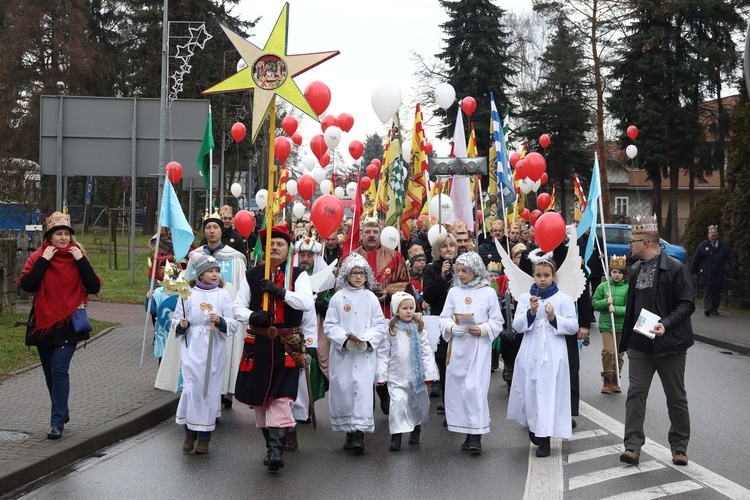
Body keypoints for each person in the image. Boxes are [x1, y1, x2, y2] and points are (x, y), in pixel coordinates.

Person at [232, 222, 314, 472]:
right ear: (265, 250)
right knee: (262, 399)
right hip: (259, 344)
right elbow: (237, 307)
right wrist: (252, 315)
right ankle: (272, 445)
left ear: (288, 249)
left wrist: (280, 292)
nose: (276, 248)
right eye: (271, 245)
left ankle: (276, 450)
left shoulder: (298, 275)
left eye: (281, 244)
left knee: (281, 397)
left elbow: (306, 303)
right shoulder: (253, 274)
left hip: (286, 344)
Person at [18, 212, 102, 440]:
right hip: (43, 323)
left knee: (58, 370)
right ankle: (61, 410)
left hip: (69, 323)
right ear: (50, 237)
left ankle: (56, 423)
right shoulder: (38, 256)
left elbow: (93, 287)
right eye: (59, 234)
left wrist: (81, 260)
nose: (64, 238)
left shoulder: (78, 256)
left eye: (67, 234)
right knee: (49, 374)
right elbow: (28, 285)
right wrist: (44, 260)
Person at [619, 216, 695, 467]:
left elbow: (687, 303)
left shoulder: (675, 267)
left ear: (646, 241)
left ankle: (679, 447)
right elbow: (632, 308)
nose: (630, 245)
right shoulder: (635, 269)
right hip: (640, 345)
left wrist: (667, 323)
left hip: (669, 345)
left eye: (632, 241)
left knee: (675, 397)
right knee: (636, 395)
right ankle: (632, 446)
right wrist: (627, 342)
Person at [507, 258, 579, 457]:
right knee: (531, 390)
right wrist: (531, 312)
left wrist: (553, 318)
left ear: (553, 276)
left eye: (546, 275)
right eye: (538, 275)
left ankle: (545, 438)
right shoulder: (524, 298)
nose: (542, 279)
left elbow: (573, 326)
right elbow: (518, 325)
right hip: (531, 351)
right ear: (533, 276)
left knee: (548, 393)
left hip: (553, 353)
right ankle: (534, 426)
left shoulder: (563, 299)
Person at [173, 255, 238, 454]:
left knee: (208, 392)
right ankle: (189, 432)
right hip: (193, 347)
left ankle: (205, 438)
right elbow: (176, 320)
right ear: (200, 273)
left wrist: (220, 321)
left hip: (214, 348)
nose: (215, 274)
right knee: (192, 389)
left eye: (217, 271)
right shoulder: (187, 295)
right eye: (211, 271)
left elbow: (233, 323)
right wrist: (181, 325)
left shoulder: (223, 295)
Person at [440, 252, 504, 453]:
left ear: (475, 271)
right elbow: (443, 317)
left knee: (474, 389)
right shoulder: (454, 292)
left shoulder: (488, 293)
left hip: (478, 348)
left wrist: (483, 329)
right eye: (458, 270)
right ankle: (465, 431)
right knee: (459, 390)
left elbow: (497, 321)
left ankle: (476, 435)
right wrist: (451, 327)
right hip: (458, 347)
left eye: (465, 271)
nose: (460, 274)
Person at [323, 254, 387, 454]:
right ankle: (348, 431)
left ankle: (359, 433)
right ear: (346, 275)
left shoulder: (371, 298)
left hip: (364, 354)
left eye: (362, 273)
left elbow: (379, 324)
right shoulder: (338, 298)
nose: (358, 277)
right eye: (354, 273)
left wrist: (366, 340)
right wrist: (345, 339)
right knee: (344, 390)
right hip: (343, 354)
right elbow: (330, 324)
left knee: (363, 390)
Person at [188, 210, 248, 408]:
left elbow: (240, 287)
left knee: (225, 352)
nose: (212, 231)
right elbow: (187, 285)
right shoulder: (196, 256)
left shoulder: (235, 257)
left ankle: (224, 392)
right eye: (208, 227)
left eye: (216, 227)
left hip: (224, 316)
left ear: (222, 231)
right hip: (200, 317)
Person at [353, 218, 412, 415]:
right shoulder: (352, 258)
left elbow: (405, 283)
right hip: (358, 319)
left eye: (375, 232)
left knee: (384, 358)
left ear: (380, 234)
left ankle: (383, 391)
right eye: (367, 231)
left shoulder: (394, 257)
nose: (371, 235)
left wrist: (388, 290)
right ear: (361, 234)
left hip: (386, 316)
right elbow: (340, 286)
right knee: (362, 360)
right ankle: (364, 407)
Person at [377, 292, 439, 451]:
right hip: (397, 375)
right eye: (404, 308)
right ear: (397, 311)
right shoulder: (391, 330)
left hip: (416, 377)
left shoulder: (419, 329)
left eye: (411, 308)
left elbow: (426, 352)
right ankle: (396, 436)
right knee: (398, 403)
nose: (409, 311)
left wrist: (429, 373)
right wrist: (381, 374)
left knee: (417, 404)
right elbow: (383, 353)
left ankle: (416, 429)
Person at [422, 231, 459, 402]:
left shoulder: (461, 266)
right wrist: (442, 277)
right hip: (441, 319)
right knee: (444, 360)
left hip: (459, 319)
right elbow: (429, 296)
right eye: (444, 246)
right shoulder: (431, 269)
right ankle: (446, 403)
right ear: (438, 250)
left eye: (451, 245)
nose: (448, 249)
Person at [591, 255, 628, 394]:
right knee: (608, 351)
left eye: (620, 272)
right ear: (609, 272)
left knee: (618, 354)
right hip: (607, 325)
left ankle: (616, 380)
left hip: (621, 325)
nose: (617, 275)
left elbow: (629, 307)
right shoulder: (603, 287)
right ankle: (607, 379)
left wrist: (617, 309)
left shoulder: (627, 288)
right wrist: (606, 303)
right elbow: (594, 303)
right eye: (614, 272)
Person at [691, 225, 738, 317]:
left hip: (718, 272)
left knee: (717, 291)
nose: (713, 237)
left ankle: (714, 309)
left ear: (718, 235)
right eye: (712, 235)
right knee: (708, 290)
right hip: (706, 272)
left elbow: (730, 256)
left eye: (715, 235)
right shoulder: (703, 246)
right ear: (708, 235)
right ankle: (707, 308)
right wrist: (694, 271)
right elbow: (696, 259)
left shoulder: (723, 246)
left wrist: (734, 265)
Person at [144, 260, 178, 364]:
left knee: (177, 359)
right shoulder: (158, 292)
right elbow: (152, 310)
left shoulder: (183, 292)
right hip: (163, 330)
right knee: (163, 359)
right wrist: (148, 299)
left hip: (178, 330)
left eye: (173, 276)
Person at [407, 244, 428, 311]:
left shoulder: (428, 276)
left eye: (424, 260)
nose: (422, 262)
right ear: (412, 262)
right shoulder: (407, 277)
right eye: (419, 260)